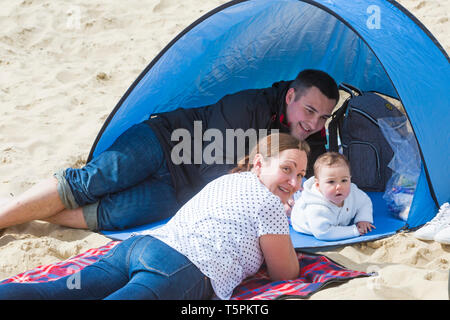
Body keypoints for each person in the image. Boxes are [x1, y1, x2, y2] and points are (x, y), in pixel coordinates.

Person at [0, 69, 338, 232]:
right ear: (291, 96)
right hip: (164, 143)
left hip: (177, 193)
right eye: (309, 111)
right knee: (91, 183)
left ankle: (22, 208)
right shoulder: (247, 106)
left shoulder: (312, 136)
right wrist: (269, 193)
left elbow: (318, 179)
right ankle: (6, 215)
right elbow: (212, 169)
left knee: (109, 216)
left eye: (323, 116)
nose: (313, 123)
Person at [0, 133, 309, 300]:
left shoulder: (227, 180)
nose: (293, 183)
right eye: (286, 169)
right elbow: (285, 272)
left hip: (137, 249)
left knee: (54, 291)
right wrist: (283, 223)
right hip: (179, 268)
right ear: (259, 163)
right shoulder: (270, 206)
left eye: (301, 175)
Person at [291, 152, 375, 241]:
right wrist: (354, 230)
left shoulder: (353, 192)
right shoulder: (316, 208)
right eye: (331, 182)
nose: (339, 186)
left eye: (344, 180)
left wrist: (363, 218)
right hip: (307, 224)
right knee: (294, 206)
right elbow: (323, 233)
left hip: (332, 221)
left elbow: (365, 202)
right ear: (318, 185)